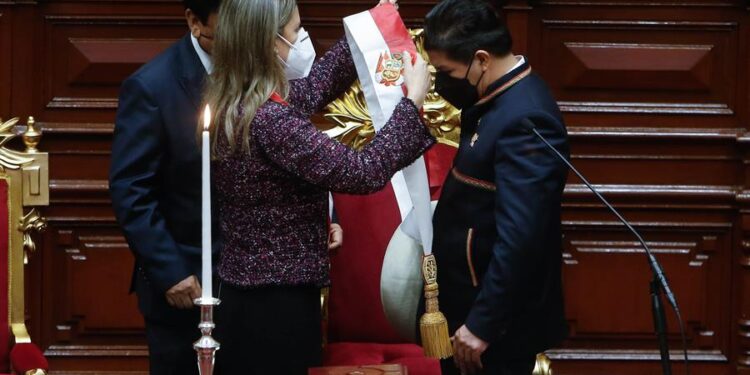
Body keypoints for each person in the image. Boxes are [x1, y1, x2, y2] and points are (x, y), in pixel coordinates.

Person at [205, 0, 433, 373]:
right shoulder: (271, 119)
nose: (302, 39)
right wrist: (412, 102)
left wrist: (372, 26)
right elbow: (362, 171)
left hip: (252, 293)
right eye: (296, 31)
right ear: (270, 43)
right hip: (276, 306)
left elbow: (316, 86)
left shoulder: (241, 98)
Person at [422, 0, 570, 374]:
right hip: (467, 305)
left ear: (482, 59)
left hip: (493, 327)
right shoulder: (496, 98)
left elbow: (521, 238)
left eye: (446, 71)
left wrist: (482, 324)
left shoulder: (527, 119)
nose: (441, 82)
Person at [109, 1, 223, 374]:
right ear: (195, 20)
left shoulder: (260, 70)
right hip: (184, 283)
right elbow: (131, 188)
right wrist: (169, 269)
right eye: (231, 22)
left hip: (251, 282)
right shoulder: (151, 86)